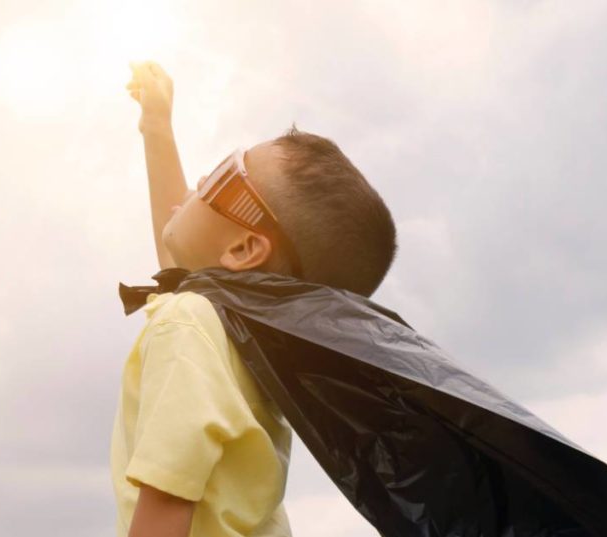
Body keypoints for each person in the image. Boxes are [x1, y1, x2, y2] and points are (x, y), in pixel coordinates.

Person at [111, 60, 398, 537]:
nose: (203, 177)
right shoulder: (246, 331)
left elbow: (166, 501)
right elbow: (182, 250)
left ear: (244, 248)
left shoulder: (188, 322)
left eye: (225, 176)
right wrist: (157, 127)